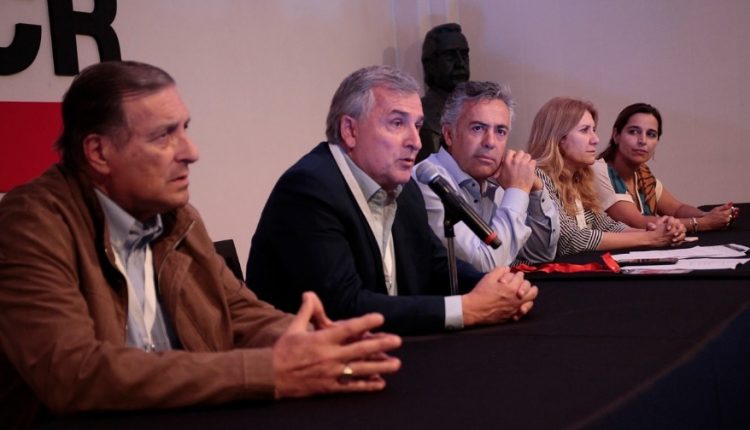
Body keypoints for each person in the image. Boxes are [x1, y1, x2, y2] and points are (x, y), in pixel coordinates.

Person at [0, 61, 402, 428]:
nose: (190, 152)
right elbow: (74, 373)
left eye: (185, 129)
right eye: (164, 136)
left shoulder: (177, 216)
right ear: (99, 152)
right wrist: (268, 371)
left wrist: (317, 344)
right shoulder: (30, 224)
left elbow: (240, 313)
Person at [246, 65, 537, 335]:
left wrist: (500, 289)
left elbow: (436, 265)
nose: (416, 142)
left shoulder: (405, 189)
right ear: (350, 131)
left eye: (417, 126)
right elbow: (342, 307)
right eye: (397, 123)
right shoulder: (309, 189)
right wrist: (467, 309)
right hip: (311, 363)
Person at [415, 81, 559, 270]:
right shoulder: (427, 180)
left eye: (500, 131)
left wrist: (535, 190)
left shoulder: (497, 178)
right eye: (477, 128)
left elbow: (539, 254)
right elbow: (484, 266)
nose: (490, 142)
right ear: (449, 134)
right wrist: (517, 191)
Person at [526, 97, 685, 257]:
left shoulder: (578, 177)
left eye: (593, 130)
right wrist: (650, 238)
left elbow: (605, 225)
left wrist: (658, 232)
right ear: (559, 138)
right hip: (532, 272)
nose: (596, 139)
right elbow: (571, 240)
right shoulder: (537, 176)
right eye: (584, 130)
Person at [594, 102, 738, 233]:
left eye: (651, 134)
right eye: (634, 131)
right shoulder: (599, 171)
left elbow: (677, 209)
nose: (643, 140)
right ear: (616, 135)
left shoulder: (642, 174)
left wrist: (709, 215)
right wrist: (704, 223)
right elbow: (637, 222)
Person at [417, 23, 471, 162]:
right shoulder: (422, 114)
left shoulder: (477, 108)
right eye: (450, 56)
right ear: (430, 64)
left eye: (464, 55)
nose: (460, 63)